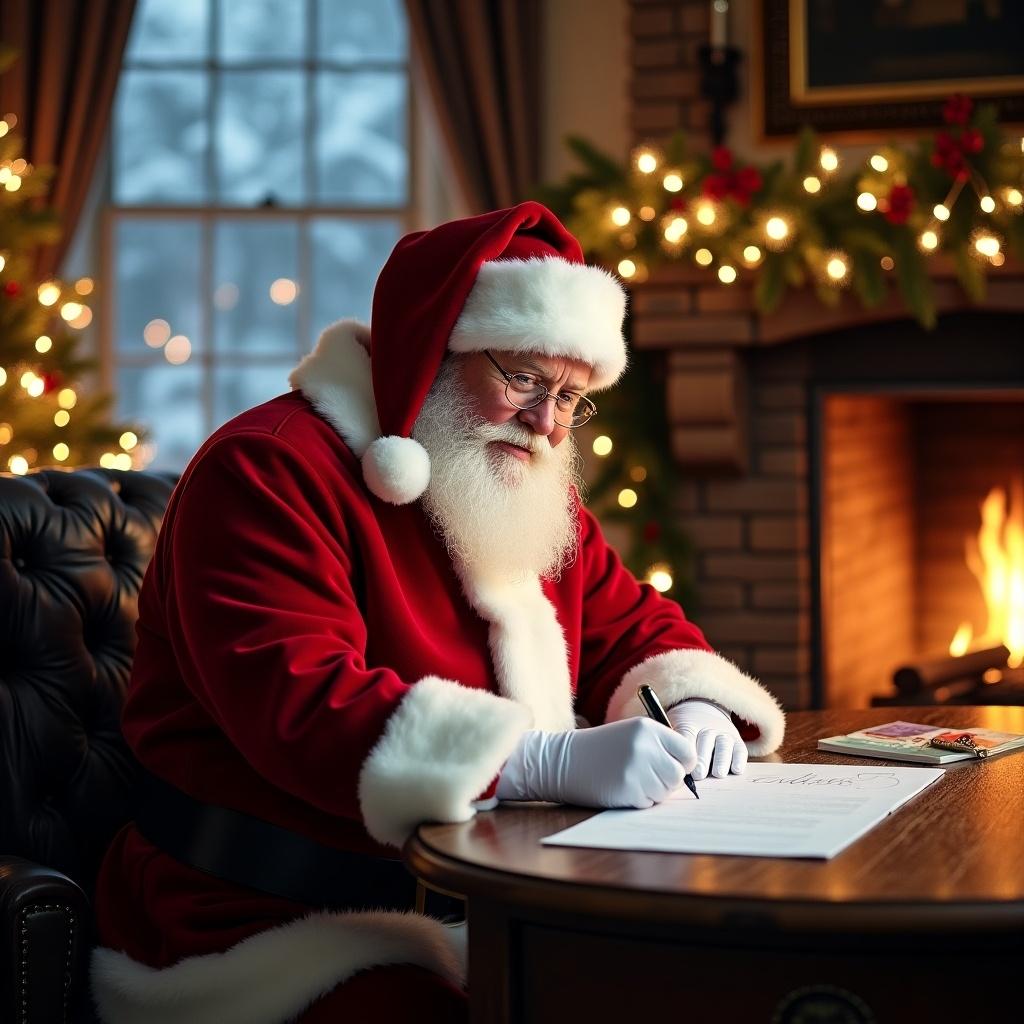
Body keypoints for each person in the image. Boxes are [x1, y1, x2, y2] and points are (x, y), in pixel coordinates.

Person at [90, 202, 785, 1024]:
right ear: (431, 352)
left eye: (571, 396)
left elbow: (632, 623)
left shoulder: (513, 484)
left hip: (484, 904)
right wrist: (541, 762)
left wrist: (697, 703)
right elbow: (301, 704)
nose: (547, 424)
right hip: (261, 925)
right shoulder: (265, 471)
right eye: (522, 378)